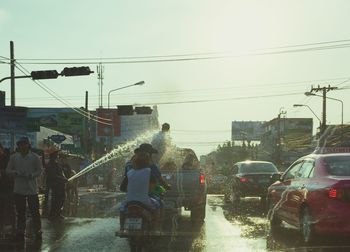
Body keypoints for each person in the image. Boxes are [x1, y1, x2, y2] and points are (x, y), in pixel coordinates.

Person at [6, 137, 43, 242]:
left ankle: (38, 230)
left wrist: (32, 175)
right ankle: (20, 231)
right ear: (18, 146)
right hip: (18, 189)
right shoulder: (14, 157)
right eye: (21, 144)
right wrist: (15, 173)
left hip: (32, 189)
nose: (22, 146)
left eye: (24, 144)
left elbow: (40, 171)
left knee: (35, 211)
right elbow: (8, 170)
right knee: (20, 212)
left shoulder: (35, 157)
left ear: (28, 145)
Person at [120, 151, 161, 231]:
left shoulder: (129, 173)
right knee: (157, 206)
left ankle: (121, 227)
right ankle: (155, 228)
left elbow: (122, 188)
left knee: (122, 209)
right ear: (148, 162)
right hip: (144, 201)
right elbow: (153, 187)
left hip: (129, 201)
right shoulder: (149, 172)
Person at [46, 147, 67, 220]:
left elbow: (61, 173)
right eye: (57, 154)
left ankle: (58, 213)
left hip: (60, 185)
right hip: (55, 186)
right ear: (53, 155)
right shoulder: (50, 164)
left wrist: (63, 178)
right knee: (55, 200)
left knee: (61, 199)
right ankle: (53, 215)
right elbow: (53, 175)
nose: (58, 155)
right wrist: (62, 179)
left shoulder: (56, 163)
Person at [0, 143, 15, 238]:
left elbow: (10, 173)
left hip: (7, 188)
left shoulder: (6, 158)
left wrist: (3, 173)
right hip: (5, 188)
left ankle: (12, 229)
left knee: (9, 208)